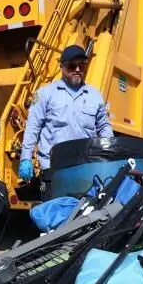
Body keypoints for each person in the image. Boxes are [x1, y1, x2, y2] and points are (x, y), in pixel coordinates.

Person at [18, 44, 114, 184]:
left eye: (81, 66)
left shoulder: (95, 96)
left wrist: (110, 154)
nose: (77, 70)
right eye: (72, 66)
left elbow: (104, 127)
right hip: (53, 171)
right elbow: (33, 127)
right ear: (61, 67)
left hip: (86, 169)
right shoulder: (44, 94)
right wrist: (26, 158)